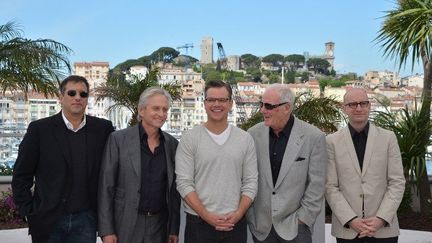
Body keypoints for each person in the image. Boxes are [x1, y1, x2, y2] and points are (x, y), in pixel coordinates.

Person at [12, 75, 114, 243]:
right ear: (61, 97)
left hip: (86, 220)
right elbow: (21, 175)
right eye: (72, 93)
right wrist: (28, 212)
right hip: (47, 220)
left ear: (87, 99)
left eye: (83, 94)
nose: (77, 98)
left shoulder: (103, 129)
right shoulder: (39, 130)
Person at [175, 80, 258, 243]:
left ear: (231, 103)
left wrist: (239, 214)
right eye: (211, 100)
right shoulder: (189, 138)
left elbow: (251, 182)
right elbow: (184, 183)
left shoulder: (245, 139)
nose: (216, 104)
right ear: (205, 103)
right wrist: (207, 216)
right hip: (198, 223)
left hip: (235, 223)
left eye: (222, 100)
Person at [98, 87, 180, 243]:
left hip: (160, 226)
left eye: (165, 109)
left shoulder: (172, 144)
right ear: (141, 111)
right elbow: (106, 186)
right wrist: (107, 230)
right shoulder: (118, 140)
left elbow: (173, 192)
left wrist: (173, 229)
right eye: (156, 108)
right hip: (126, 224)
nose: (161, 114)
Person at [247, 83, 327, 243]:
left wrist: (303, 219)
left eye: (269, 106)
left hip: (296, 228)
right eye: (261, 104)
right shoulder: (252, 134)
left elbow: (317, 184)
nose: (263, 110)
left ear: (287, 108)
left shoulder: (313, 137)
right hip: (261, 228)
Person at [325, 88, 405, 243]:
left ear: (369, 106)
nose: (359, 108)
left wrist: (381, 218)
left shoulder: (388, 138)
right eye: (353, 104)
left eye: (363, 103)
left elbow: (397, 182)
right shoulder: (331, 141)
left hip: (383, 230)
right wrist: (351, 219)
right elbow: (330, 186)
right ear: (344, 108)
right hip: (347, 229)